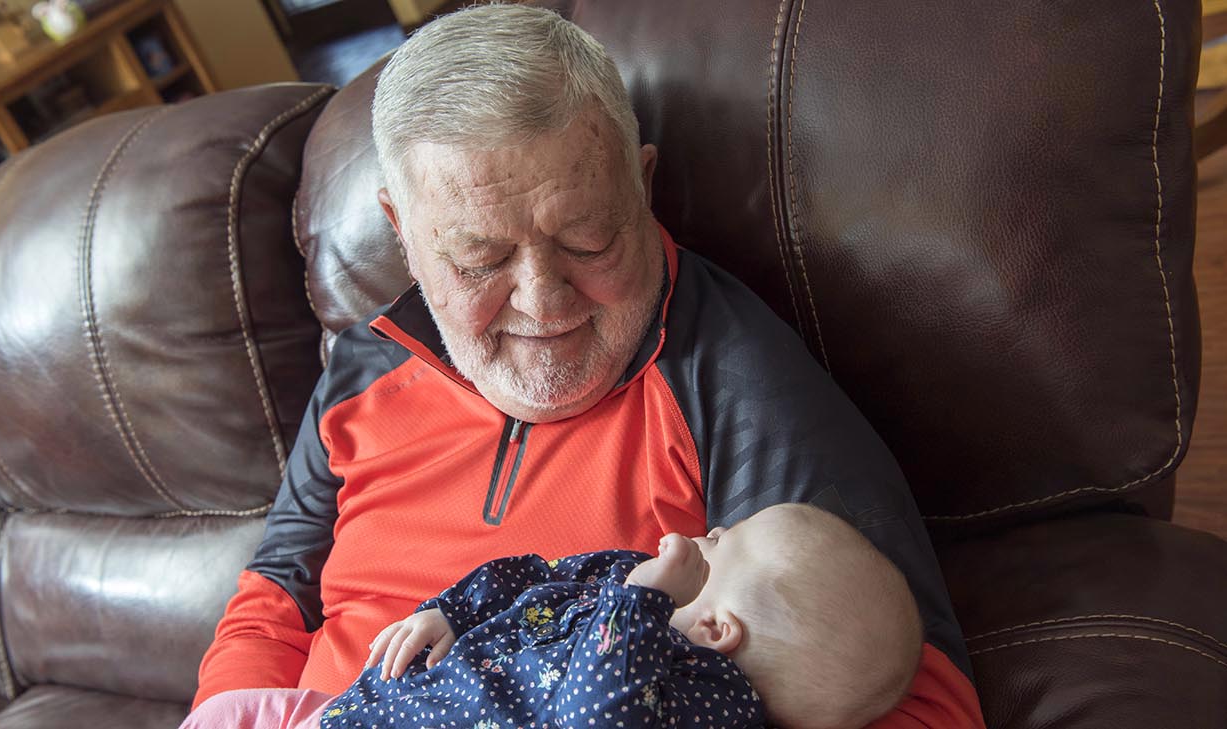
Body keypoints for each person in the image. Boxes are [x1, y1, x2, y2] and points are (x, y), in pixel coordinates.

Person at [192, 5, 985, 727]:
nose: (543, 302)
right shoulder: (364, 363)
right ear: (402, 230)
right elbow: (277, 589)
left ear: (641, 187)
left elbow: (911, 692)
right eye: (481, 258)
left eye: (587, 240)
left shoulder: (732, 378)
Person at [181, 504, 922, 729]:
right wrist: (449, 609)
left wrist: (643, 599)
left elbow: (596, 716)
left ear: (717, 627)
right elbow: (535, 574)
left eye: (722, 542)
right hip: (361, 702)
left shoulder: (707, 698)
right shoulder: (620, 585)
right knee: (230, 711)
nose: (707, 531)